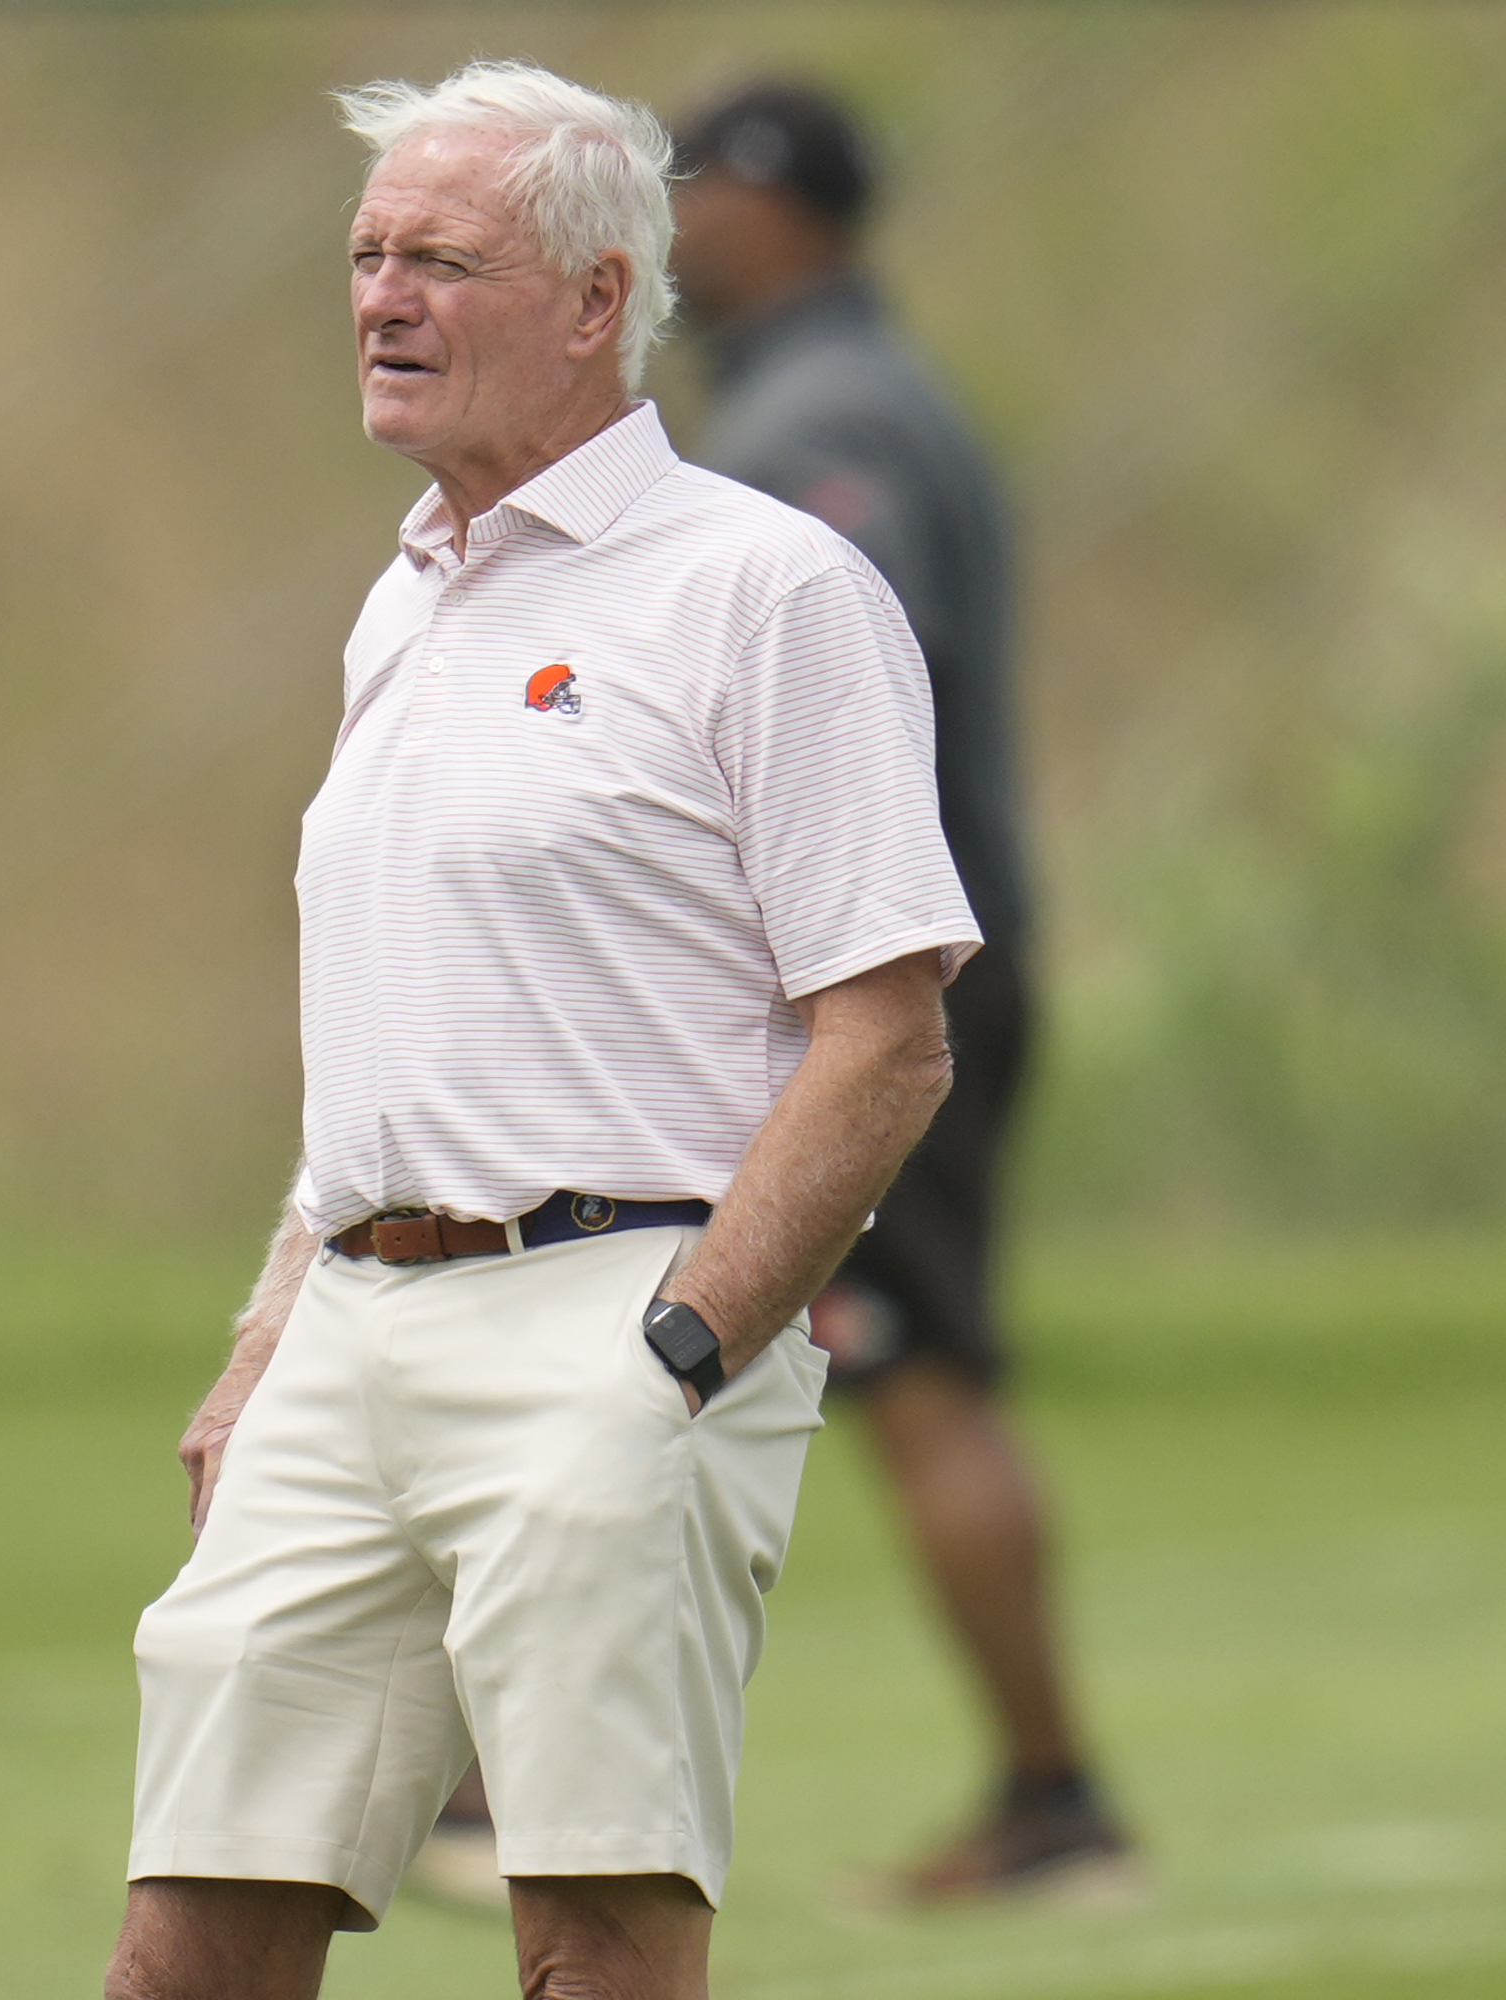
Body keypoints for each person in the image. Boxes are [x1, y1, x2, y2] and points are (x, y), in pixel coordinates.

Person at [104, 60, 979, 2000]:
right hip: (354, 1329)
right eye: (367, 255)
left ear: (599, 298)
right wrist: (267, 1337)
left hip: (619, 1315)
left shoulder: (766, 591)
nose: (383, 298)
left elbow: (889, 1036)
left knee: (590, 1938)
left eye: (444, 260)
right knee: (187, 1942)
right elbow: (389, 1041)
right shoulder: (403, 603)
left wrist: (676, 1351)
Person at [676, 79, 1131, 1901]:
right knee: (759, 1347)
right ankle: (1050, 1797)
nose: (668, 228)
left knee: (907, 1371)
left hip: (883, 988)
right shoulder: (826, 391)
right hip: (895, 966)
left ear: (779, 209)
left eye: (691, 189)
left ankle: (1057, 1802)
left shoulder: (827, 415)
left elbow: (844, 671)